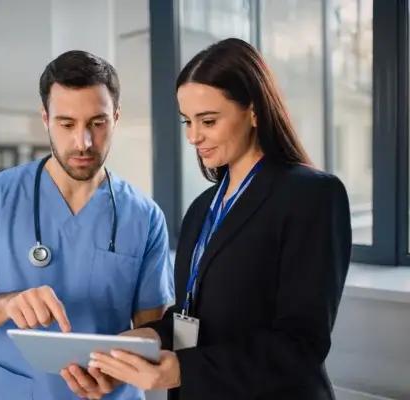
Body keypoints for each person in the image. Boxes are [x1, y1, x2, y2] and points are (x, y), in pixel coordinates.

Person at [64, 38, 352, 399]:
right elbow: (193, 320)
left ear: (253, 110)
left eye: (209, 121)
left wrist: (183, 369)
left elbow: (301, 344)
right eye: (188, 121)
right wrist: (142, 341)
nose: (193, 136)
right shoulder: (203, 207)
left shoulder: (311, 195)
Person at [0, 50, 174, 400]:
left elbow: (152, 330)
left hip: (108, 393)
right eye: (66, 124)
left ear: (116, 118)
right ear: (45, 119)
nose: (83, 142)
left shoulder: (145, 216)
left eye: (97, 122)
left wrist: (118, 368)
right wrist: (6, 305)